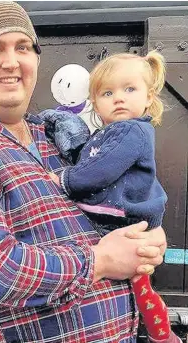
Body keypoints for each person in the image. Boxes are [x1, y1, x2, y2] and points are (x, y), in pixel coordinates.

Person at [0, 2, 169, 343]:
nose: (11, 62)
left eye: (23, 47)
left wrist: (147, 238)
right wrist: (100, 261)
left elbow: (118, 203)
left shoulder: (55, 136)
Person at [45, 51, 179, 343]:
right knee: (139, 283)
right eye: (108, 92)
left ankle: (163, 334)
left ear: (148, 97)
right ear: (95, 102)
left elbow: (100, 171)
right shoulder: (111, 132)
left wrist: (65, 179)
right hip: (121, 219)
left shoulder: (131, 131)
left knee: (139, 280)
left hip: (122, 221)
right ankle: (161, 333)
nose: (118, 98)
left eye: (129, 89)